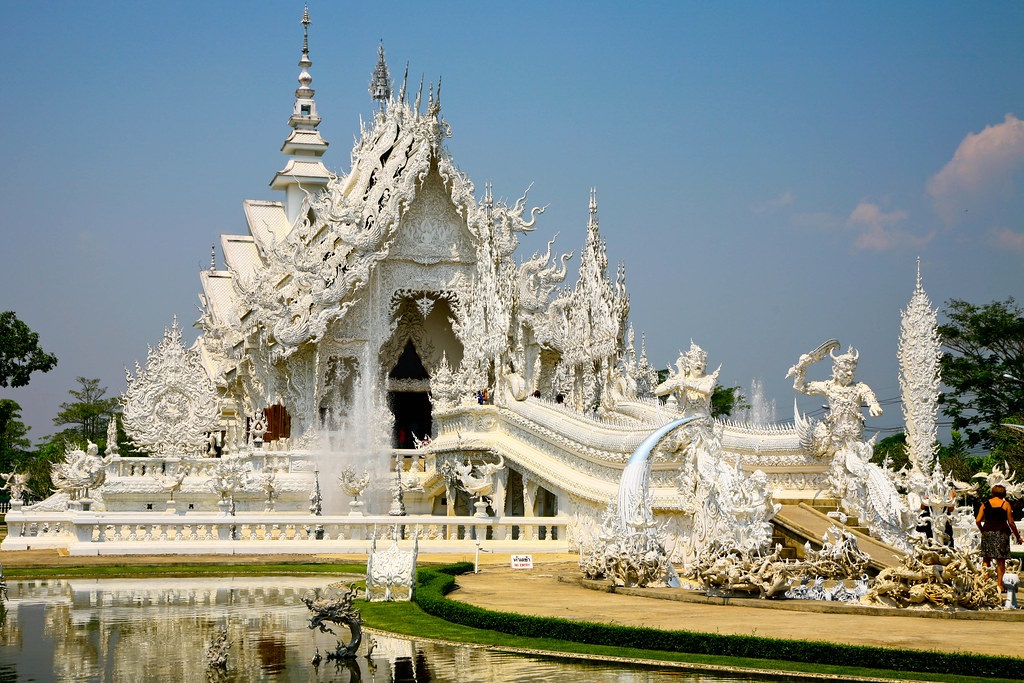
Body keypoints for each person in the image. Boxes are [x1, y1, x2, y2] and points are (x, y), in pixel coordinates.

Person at [976, 484, 1023, 588]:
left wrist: (982, 530)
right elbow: (1011, 522)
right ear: (1003, 493)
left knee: (986, 558)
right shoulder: (1005, 504)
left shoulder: (984, 504)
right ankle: (999, 585)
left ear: (992, 493)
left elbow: (978, 520)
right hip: (1001, 533)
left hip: (987, 533)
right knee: (1001, 560)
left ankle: (986, 582)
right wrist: (1017, 536)